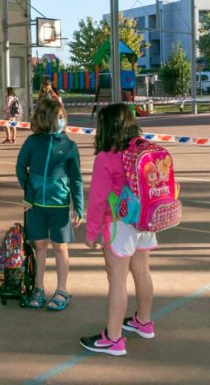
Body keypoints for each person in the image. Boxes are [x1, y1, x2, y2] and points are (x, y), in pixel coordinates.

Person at [80, 104, 157, 357]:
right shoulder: (143, 148)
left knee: (117, 280)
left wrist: (92, 233)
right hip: (145, 219)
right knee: (143, 271)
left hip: (119, 224)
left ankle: (113, 339)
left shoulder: (106, 157)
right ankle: (143, 322)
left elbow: (98, 199)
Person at [16, 98, 84, 311]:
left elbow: (76, 179)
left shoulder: (70, 146)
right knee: (40, 247)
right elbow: (20, 168)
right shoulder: (32, 142)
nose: (63, 120)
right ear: (47, 119)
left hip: (60, 207)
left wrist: (79, 207)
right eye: (59, 117)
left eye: (63, 117)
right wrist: (28, 193)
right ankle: (38, 288)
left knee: (60, 248)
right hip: (35, 207)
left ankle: (62, 290)